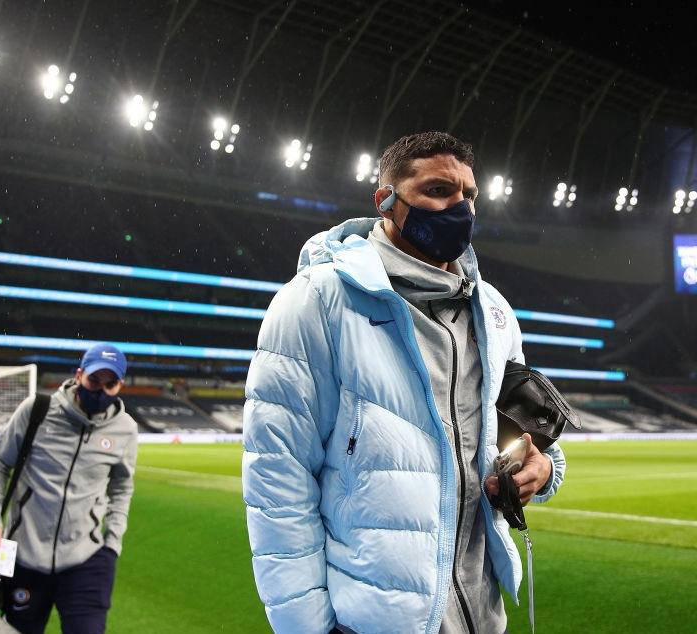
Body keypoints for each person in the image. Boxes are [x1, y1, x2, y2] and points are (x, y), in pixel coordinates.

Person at [242, 131, 567, 634]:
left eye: (469, 195)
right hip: (374, 620)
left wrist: (541, 469)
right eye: (438, 190)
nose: (459, 207)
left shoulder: (494, 312)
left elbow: (519, 434)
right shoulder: (317, 301)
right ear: (386, 200)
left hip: (481, 614)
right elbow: (278, 481)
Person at [0, 343, 138, 634]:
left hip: (88, 560)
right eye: (94, 380)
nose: (100, 391)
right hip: (23, 556)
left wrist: (112, 543)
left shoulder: (125, 429)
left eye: (110, 384)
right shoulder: (37, 410)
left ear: (120, 386)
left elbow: (122, 487)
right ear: (78, 375)